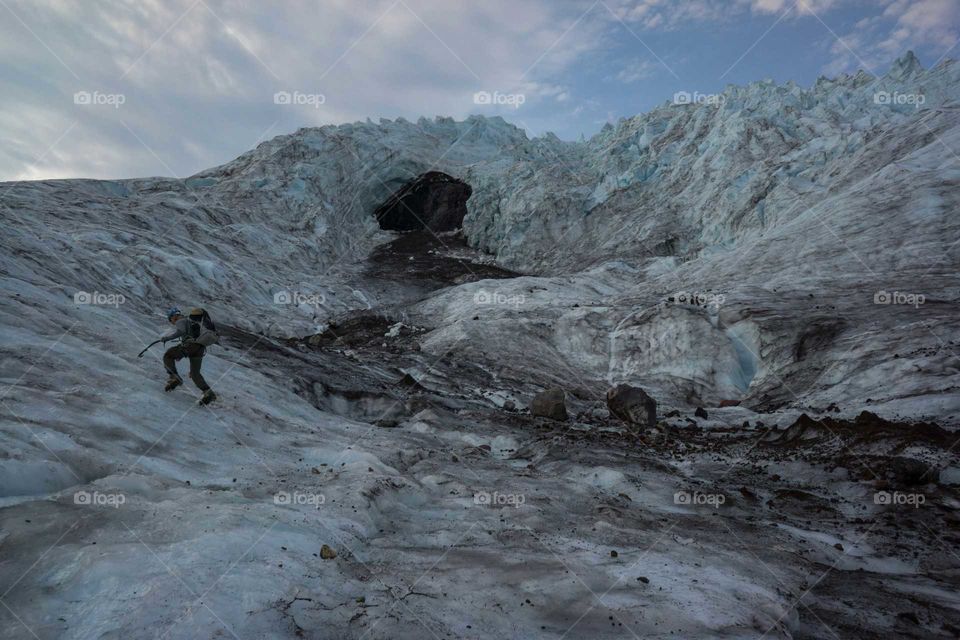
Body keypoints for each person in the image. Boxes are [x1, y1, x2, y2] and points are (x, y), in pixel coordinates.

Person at [160, 307, 218, 405]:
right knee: (195, 374)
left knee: (168, 355)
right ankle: (209, 393)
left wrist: (167, 338)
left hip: (191, 345)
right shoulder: (191, 321)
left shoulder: (181, 320)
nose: (172, 322)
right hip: (200, 348)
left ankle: (175, 378)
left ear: (174, 316)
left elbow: (181, 331)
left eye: (171, 319)